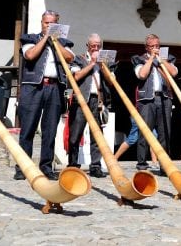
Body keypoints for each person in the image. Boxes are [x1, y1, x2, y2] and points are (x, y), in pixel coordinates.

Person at [16, 10, 74, 181]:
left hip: (55, 88)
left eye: (52, 23)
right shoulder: (30, 38)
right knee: (28, 129)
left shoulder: (63, 42)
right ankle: (23, 167)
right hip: (33, 87)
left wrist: (55, 42)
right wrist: (45, 39)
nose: (48, 26)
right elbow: (30, 55)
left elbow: (69, 58)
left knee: (50, 130)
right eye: (46, 23)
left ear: (57, 24)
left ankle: (46, 167)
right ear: (41, 23)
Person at [67, 33, 113, 178]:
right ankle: (73, 164)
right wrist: (92, 64)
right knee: (75, 135)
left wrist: (102, 65)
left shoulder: (105, 61)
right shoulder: (78, 59)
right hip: (80, 101)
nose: (96, 48)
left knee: (97, 136)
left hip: (97, 101)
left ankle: (95, 166)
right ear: (87, 46)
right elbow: (75, 77)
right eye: (93, 45)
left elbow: (111, 81)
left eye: (98, 46)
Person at [132, 34, 176, 174]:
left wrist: (163, 62)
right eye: (152, 46)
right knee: (145, 132)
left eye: (157, 46)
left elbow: (174, 73)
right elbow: (142, 75)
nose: (156, 49)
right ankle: (142, 164)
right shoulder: (139, 59)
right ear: (147, 47)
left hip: (164, 98)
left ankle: (164, 165)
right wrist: (151, 58)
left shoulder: (167, 58)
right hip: (146, 100)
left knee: (165, 132)